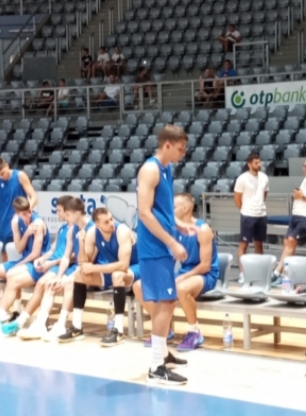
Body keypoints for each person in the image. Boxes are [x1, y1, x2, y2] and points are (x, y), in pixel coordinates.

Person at [134, 124, 191, 385]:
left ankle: (163, 354)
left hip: (162, 245)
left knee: (166, 302)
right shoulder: (150, 169)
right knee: (166, 302)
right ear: (167, 145)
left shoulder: (166, 169)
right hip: (154, 247)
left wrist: (177, 224)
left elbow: (161, 209)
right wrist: (171, 241)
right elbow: (144, 213)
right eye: (180, 148)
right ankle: (156, 367)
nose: (183, 153)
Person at [4, 197, 92, 340]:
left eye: (62, 212)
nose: (61, 215)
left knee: (51, 283)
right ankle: (38, 323)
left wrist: (54, 267)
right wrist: (48, 265)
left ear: (74, 213)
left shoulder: (90, 229)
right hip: (66, 266)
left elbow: (82, 259)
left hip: (84, 268)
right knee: (49, 284)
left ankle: (59, 324)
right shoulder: (68, 229)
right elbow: (61, 254)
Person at [58, 207, 140, 345]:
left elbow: (123, 265)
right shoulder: (92, 232)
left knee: (117, 275)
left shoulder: (122, 231)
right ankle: (77, 327)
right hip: (113, 268)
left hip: (136, 267)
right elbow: (84, 263)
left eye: (111, 219)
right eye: (106, 222)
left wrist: (94, 268)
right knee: (79, 275)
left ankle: (118, 330)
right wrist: (81, 242)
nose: (111, 223)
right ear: (97, 224)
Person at [0, 196, 49, 326]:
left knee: (11, 274)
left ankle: (6, 311)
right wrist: (26, 234)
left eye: (29, 211)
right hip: (25, 260)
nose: (28, 215)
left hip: (39, 263)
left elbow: (36, 254)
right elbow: (19, 248)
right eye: (24, 214)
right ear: (17, 213)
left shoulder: (37, 224)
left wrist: (19, 265)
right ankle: (1, 311)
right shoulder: (15, 222)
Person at [171, 193, 220, 351]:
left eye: (174, 207)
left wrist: (181, 278)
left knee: (182, 288)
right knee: (150, 284)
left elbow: (205, 266)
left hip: (206, 275)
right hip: (185, 272)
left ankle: (194, 332)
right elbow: (172, 258)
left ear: (185, 209)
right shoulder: (176, 229)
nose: (170, 210)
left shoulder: (203, 229)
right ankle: (165, 330)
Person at [0, 156, 37, 255]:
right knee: (4, 252)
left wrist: (24, 211)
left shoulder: (20, 176)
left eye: (3, 173)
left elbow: (34, 197)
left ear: (7, 166)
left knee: (25, 251)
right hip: (4, 223)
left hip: (22, 220)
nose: (2, 176)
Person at [234, 152, 269, 283]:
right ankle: (242, 273)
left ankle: (258, 272)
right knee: (244, 244)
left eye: (259, 162)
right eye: (256, 163)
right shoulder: (242, 179)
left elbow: (264, 194)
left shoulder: (264, 177)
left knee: (259, 244)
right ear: (249, 164)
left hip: (261, 214)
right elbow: (237, 198)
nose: (259, 164)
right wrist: (245, 209)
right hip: (247, 215)